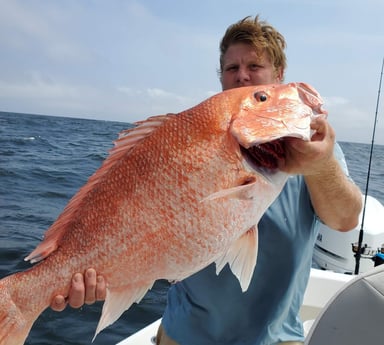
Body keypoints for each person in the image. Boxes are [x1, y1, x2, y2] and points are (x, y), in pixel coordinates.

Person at [50, 15, 362, 345]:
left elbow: (345, 220)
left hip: (275, 339)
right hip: (181, 336)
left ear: (279, 76)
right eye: (232, 68)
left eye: (255, 66)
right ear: (221, 77)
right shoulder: (185, 141)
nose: (242, 75)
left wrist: (322, 165)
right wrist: (96, 273)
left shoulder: (318, 150)